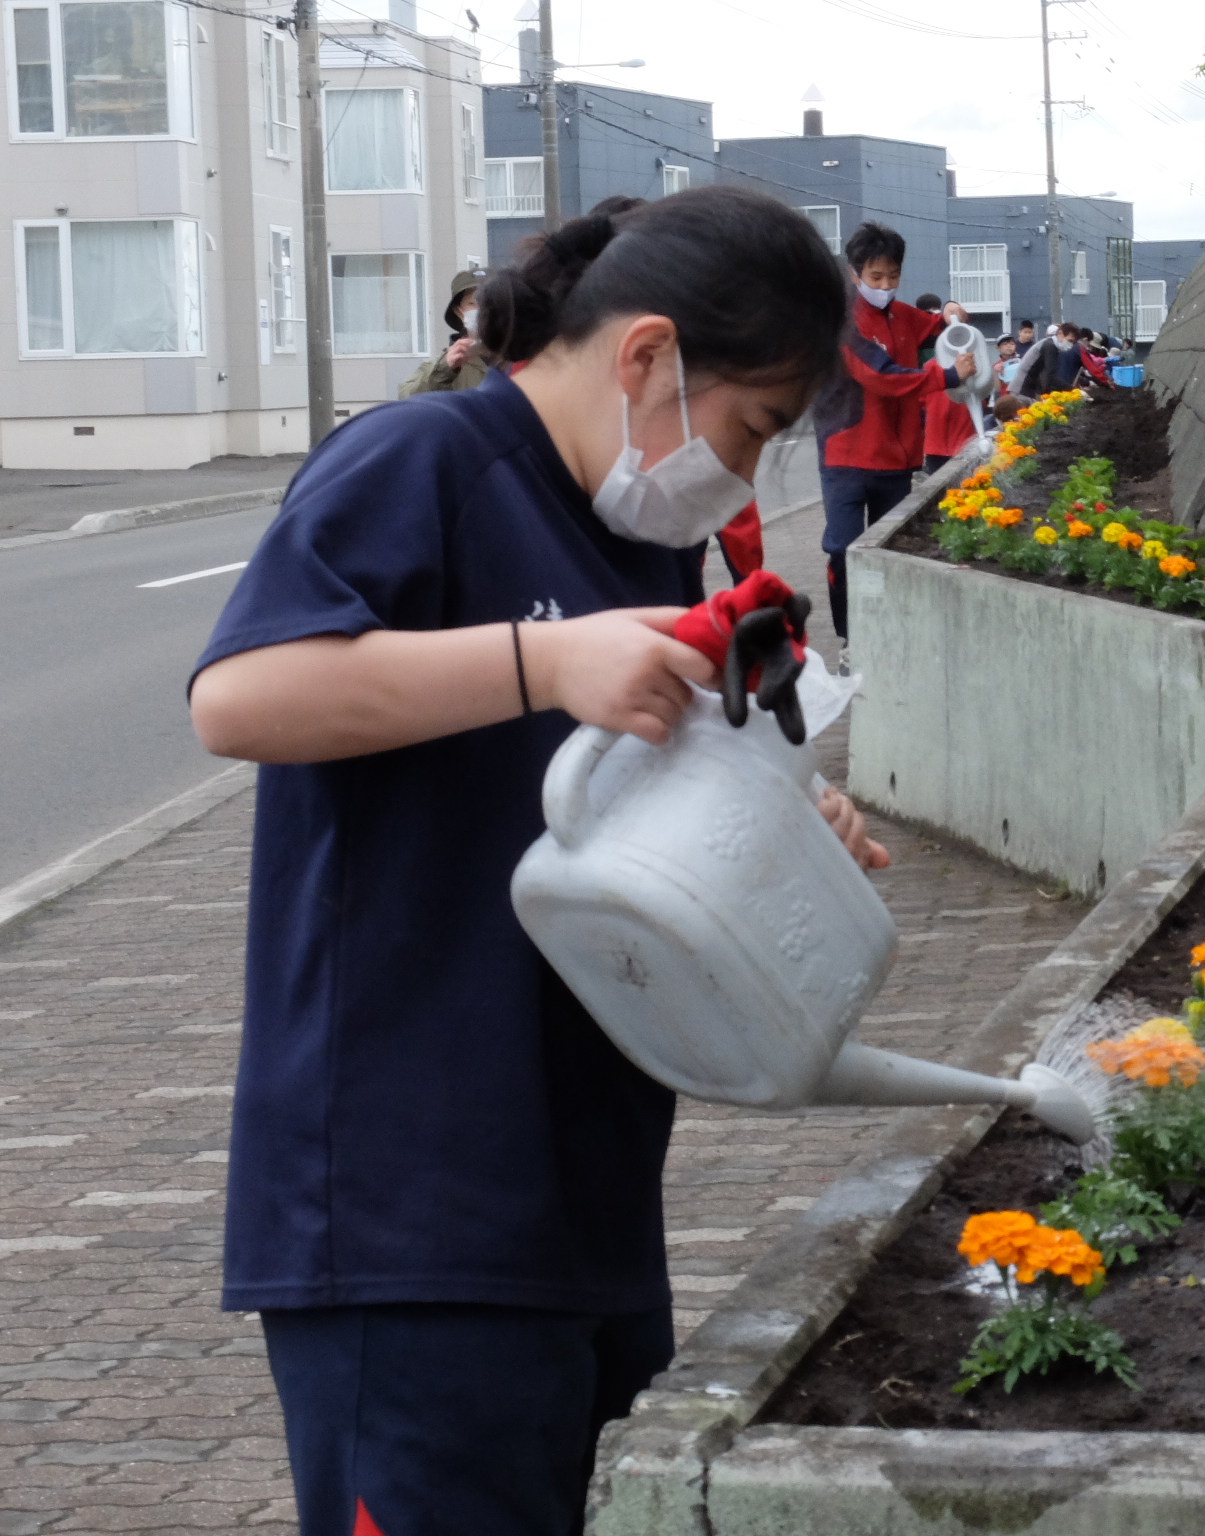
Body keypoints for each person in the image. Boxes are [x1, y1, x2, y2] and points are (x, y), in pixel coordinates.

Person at [184, 185, 886, 1536]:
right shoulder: (422, 462)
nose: (742, 481)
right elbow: (243, 696)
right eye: (749, 430)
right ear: (647, 358)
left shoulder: (641, 538)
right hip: (408, 1215)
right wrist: (547, 659)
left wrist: (778, 822)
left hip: (582, 1190)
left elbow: (611, 810)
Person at [814, 221, 974, 671]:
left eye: (893, 276)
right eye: (876, 277)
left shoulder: (903, 316)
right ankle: (850, 641)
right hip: (847, 458)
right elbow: (881, 376)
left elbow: (936, 325)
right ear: (854, 273)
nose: (885, 286)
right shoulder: (842, 322)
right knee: (844, 551)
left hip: (897, 461)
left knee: (890, 552)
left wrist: (949, 310)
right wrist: (946, 377)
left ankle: (887, 635)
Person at [397, 269, 492, 396]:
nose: (482, 310)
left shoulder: (522, 357)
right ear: (458, 311)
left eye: (490, 302)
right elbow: (408, 399)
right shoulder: (445, 365)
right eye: (472, 303)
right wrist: (445, 369)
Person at [922, 300, 982, 472]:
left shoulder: (976, 365)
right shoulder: (930, 366)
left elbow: (983, 398)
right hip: (935, 446)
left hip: (965, 442)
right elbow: (920, 404)